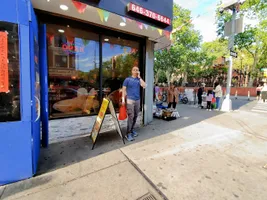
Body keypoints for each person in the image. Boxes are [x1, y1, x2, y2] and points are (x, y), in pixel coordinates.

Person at [122, 66, 146, 141]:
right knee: (131, 116)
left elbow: (144, 85)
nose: (135, 71)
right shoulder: (127, 79)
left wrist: (139, 77)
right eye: (134, 70)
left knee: (135, 116)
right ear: (132, 71)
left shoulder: (139, 80)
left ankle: (132, 130)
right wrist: (123, 99)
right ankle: (128, 133)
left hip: (137, 100)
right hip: (130, 100)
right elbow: (123, 90)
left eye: (137, 70)